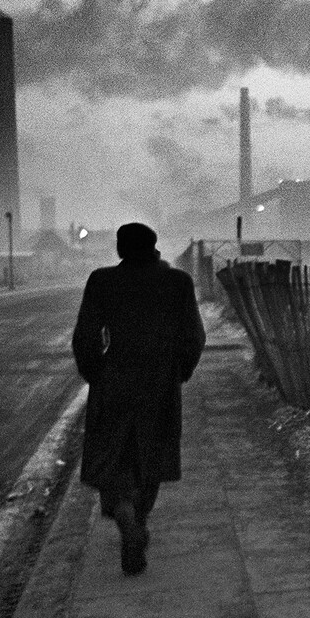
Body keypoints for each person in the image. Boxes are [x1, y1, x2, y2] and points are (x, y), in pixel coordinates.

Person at [72, 222, 205, 575]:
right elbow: (194, 336)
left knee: (113, 456)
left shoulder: (102, 281)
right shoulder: (178, 283)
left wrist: (96, 373)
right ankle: (139, 518)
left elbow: (85, 338)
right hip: (160, 383)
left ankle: (125, 515)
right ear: (153, 246)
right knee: (154, 455)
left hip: (114, 380)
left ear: (120, 249)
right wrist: (180, 371)